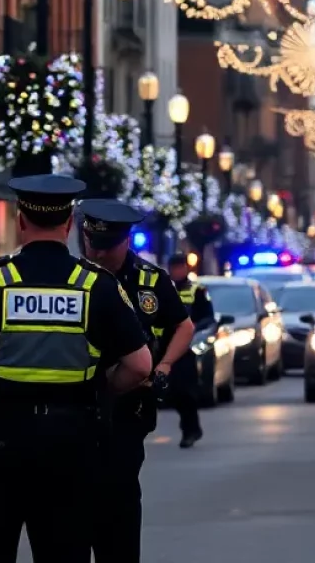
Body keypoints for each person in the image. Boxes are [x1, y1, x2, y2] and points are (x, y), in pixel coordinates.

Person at [0, 176, 152, 563]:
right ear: (70, 222)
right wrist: (103, 387)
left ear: (21, 220)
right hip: (71, 449)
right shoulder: (94, 285)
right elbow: (139, 367)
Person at [80, 200, 193, 563]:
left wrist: (164, 367)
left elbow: (183, 325)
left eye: (106, 247)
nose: (96, 253)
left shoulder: (149, 280)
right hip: (79, 404)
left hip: (129, 404)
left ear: (126, 241)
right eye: (90, 244)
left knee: (120, 497)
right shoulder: (74, 277)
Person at [165, 252, 214, 448]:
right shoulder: (163, 290)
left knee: (185, 392)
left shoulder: (197, 291)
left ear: (186, 269)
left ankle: (190, 430)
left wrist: (193, 329)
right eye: (173, 268)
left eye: (179, 267)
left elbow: (208, 318)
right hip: (162, 346)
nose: (176, 271)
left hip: (186, 349)